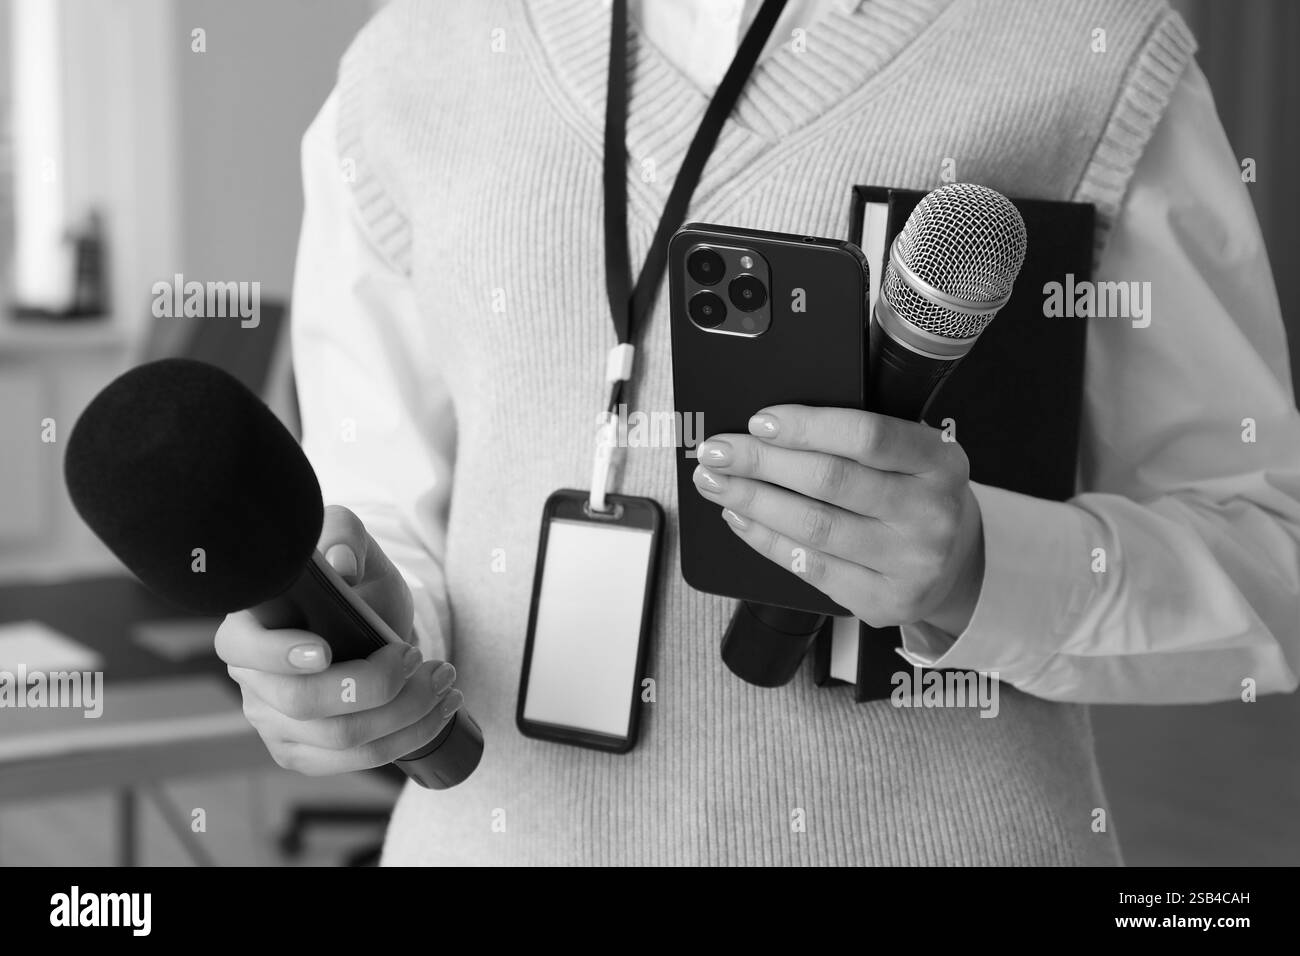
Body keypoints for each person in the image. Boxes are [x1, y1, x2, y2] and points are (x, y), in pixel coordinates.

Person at [215, 0, 1300, 865]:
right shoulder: (405, 66)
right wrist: (357, 645)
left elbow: (1273, 557)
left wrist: (981, 570)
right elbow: (386, 514)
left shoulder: (1087, 42)